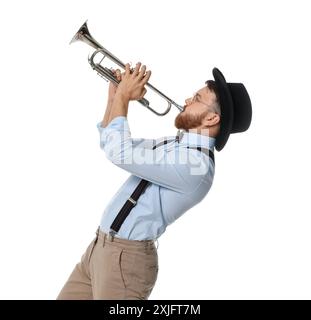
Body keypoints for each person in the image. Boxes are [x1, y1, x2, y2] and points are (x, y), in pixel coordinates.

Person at [57, 63, 252, 300]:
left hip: (124, 262)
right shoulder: (176, 145)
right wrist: (115, 96)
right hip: (99, 249)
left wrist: (124, 98)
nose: (188, 99)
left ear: (211, 118)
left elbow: (119, 153)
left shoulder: (196, 166)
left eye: (197, 98)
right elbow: (111, 143)